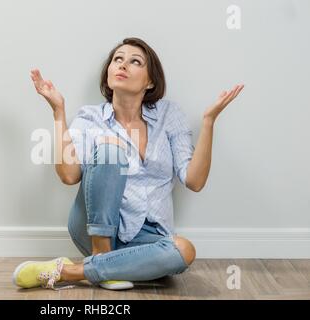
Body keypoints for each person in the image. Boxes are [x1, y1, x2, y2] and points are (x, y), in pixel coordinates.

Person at [13, 37, 244, 291]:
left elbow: (194, 180)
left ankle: (72, 271)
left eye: (135, 62)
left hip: (149, 238)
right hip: (93, 228)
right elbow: (69, 175)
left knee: (184, 250)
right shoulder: (90, 117)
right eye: (117, 59)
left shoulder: (170, 115)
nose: (123, 65)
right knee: (112, 150)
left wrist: (209, 121)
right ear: (109, 71)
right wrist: (58, 111)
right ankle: (102, 255)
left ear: (150, 81)